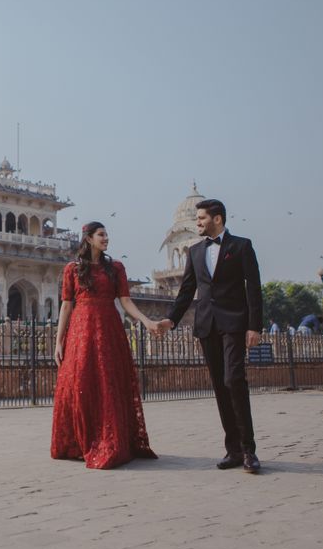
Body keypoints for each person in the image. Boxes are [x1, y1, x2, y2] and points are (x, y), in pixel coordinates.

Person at [158, 199, 263, 473]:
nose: (198, 223)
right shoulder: (195, 251)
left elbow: (253, 288)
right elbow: (186, 290)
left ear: (217, 219)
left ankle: (249, 450)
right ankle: (233, 450)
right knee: (219, 385)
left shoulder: (241, 246)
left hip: (234, 323)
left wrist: (255, 326)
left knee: (234, 380)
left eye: (202, 218)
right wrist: (171, 318)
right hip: (207, 325)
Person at [51, 221, 159, 469]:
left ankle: (110, 439)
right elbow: (66, 306)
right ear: (88, 239)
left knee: (108, 383)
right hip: (81, 330)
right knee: (81, 383)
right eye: (101, 234)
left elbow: (126, 301)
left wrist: (145, 321)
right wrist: (59, 341)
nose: (106, 238)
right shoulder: (73, 269)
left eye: (107, 234)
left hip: (108, 328)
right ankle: (80, 441)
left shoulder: (116, 268)